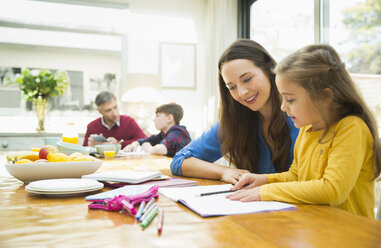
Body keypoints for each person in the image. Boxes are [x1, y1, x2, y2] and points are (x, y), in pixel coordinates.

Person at [227, 44, 381, 218]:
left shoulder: (351, 128)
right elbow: (296, 175)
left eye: (290, 99)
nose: (283, 107)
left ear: (325, 97)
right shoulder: (307, 128)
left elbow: (332, 190)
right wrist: (264, 180)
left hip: (350, 235)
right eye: (282, 98)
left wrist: (266, 191)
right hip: (315, 228)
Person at [170, 39, 299, 184]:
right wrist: (225, 171)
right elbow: (179, 161)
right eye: (232, 87)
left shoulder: (301, 118)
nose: (242, 93)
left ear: (269, 71)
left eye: (247, 79)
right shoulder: (235, 122)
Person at [123, 103, 191, 157]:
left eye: (158, 116)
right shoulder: (163, 134)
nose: (154, 119)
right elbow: (146, 140)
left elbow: (161, 150)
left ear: (169, 118)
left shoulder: (178, 132)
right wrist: (134, 144)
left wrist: (148, 148)